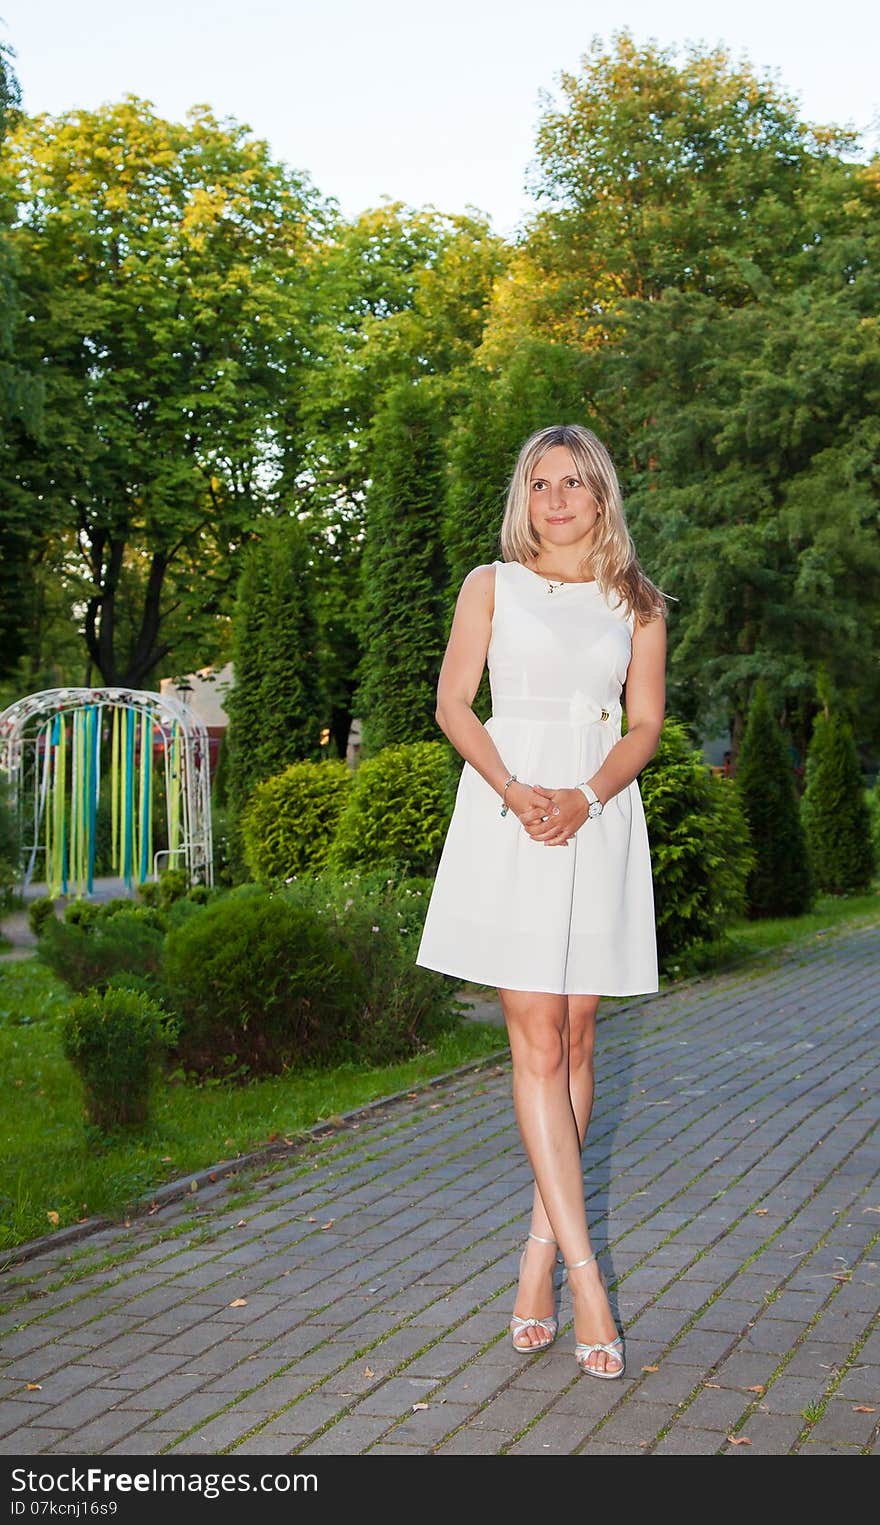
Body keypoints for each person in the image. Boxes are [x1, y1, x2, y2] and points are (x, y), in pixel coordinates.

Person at [415, 423, 668, 1379]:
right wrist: (518, 792)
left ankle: (533, 1256)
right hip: (509, 813)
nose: (555, 498)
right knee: (535, 1040)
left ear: (602, 494)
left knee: (578, 1039)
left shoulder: (636, 603)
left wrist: (586, 797)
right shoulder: (491, 584)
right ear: (523, 498)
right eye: (538, 483)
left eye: (573, 482)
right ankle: (583, 1277)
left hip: (596, 813)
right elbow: (453, 704)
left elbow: (644, 723)